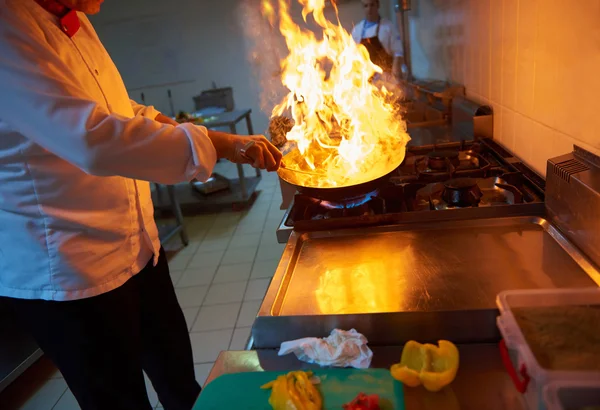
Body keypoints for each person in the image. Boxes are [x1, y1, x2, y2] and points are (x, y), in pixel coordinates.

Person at [0, 0, 281, 409]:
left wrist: (224, 141)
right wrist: (214, 145)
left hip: (136, 248)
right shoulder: (8, 26)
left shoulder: (74, 21)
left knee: (180, 384)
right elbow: (92, 139)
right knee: (120, 402)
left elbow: (121, 111)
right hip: (70, 270)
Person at [351, 0, 404, 81]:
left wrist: (396, 71)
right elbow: (353, 55)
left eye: (372, 5)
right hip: (366, 79)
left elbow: (398, 52)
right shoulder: (357, 30)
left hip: (386, 77)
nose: (369, 9)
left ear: (378, 5)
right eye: (366, 6)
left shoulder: (388, 27)